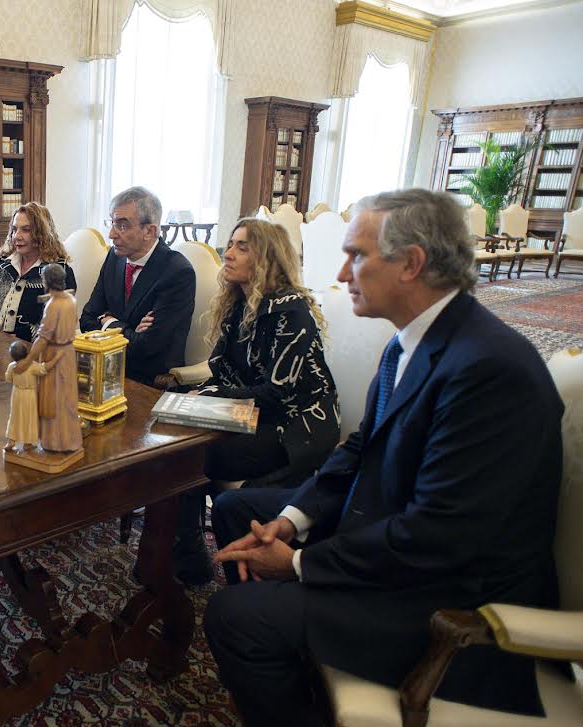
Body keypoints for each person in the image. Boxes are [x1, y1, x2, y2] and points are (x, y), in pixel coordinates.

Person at [205, 189, 564, 726]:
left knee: (234, 618)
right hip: (389, 526)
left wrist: (300, 562)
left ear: (411, 264)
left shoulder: (490, 370)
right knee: (240, 511)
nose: (341, 273)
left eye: (356, 256)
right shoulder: (408, 343)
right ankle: (295, 651)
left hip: (446, 602)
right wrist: (292, 519)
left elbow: (438, 535)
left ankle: (286, 651)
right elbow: (360, 449)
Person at [171, 218, 340, 586]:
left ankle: (218, 567)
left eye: (241, 247)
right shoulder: (239, 304)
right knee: (177, 446)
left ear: (267, 257)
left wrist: (212, 396)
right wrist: (200, 397)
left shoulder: (291, 312)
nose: (228, 254)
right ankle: (188, 553)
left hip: (297, 427)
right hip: (250, 415)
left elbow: (277, 394)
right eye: (231, 244)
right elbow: (223, 372)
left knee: (193, 457)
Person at [80, 186, 194, 385]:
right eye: (112, 223)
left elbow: (147, 347)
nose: (112, 234)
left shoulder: (177, 272)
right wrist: (130, 331)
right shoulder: (115, 258)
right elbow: (87, 319)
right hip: (106, 371)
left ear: (149, 231)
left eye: (122, 226)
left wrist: (108, 321)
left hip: (149, 381)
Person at [0, 202, 75, 341]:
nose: (17, 236)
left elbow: (58, 325)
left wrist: (21, 337)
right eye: (14, 229)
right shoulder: (4, 264)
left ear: (42, 234)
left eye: (26, 230)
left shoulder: (59, 272)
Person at [17, 264, 82, 453]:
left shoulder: (53, 305)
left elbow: (43, 338)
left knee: (54, 401)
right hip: (68, 353)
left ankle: (55, 442)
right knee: (67, 400)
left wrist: (28, 360)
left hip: (54, 354)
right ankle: (70, 440)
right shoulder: (71, 299)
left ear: (48, 281)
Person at [3, 340, 48, 452]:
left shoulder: (11, 366)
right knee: (29, 417)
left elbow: (8, 379)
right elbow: (43, 369)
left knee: (14, 416)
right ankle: (27, 443)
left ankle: (11, 441)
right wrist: (54, 361)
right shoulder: (32, 366)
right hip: (29, 394)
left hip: (16, 393)